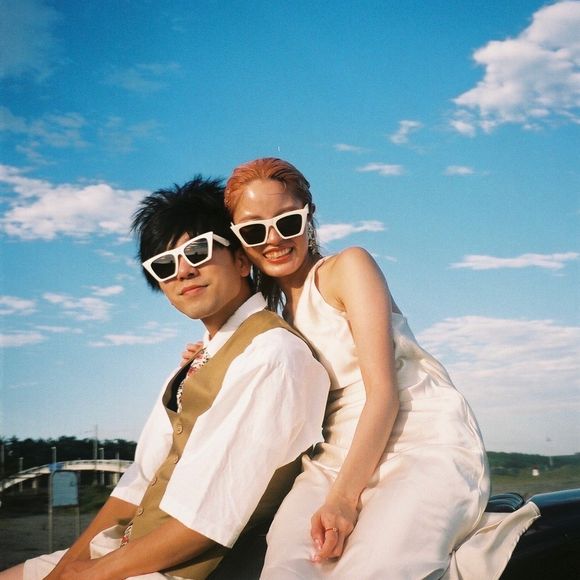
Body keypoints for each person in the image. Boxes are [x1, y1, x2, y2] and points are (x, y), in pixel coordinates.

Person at [1, 176, 329, 580]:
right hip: (124, 553)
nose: (183, 271)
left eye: (197, 251)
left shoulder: (272, 354)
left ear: (242, 260)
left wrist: (82, 576)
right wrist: (67, 568)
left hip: (180, 571)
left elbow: (207, 524)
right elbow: (136, 483)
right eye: (164, 265)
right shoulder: (194, 364)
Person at [220, 157, 493, 578]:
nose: (273, 239)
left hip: (418, 442)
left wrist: (344, 499)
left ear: (308, 218)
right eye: (255, 230)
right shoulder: (273, 323)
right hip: (332, 461)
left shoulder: (348, 268)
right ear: (239, 240)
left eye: (287, 222)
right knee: (286, 569)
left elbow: (383, 393)